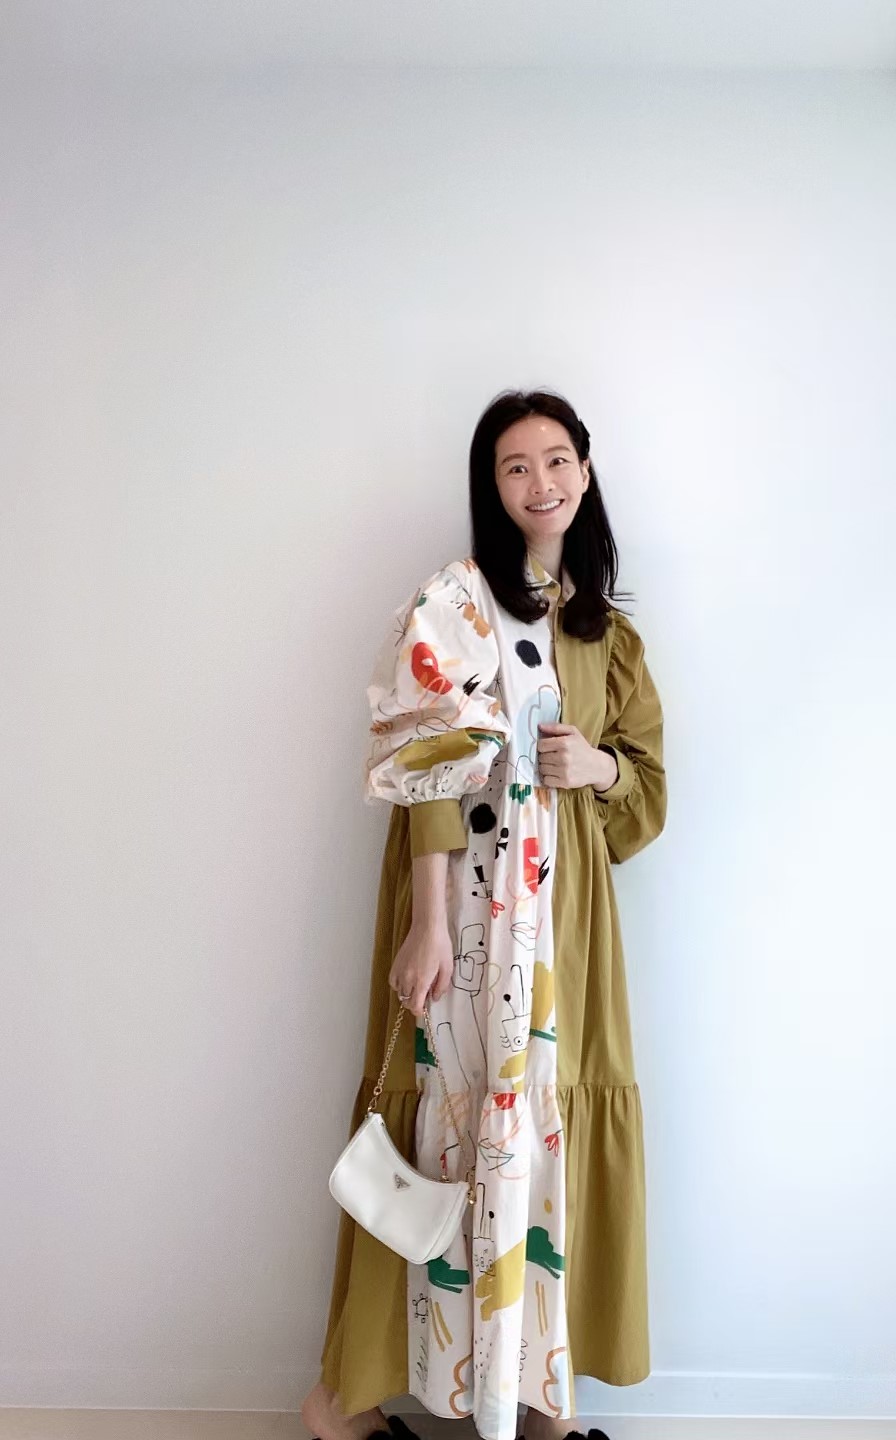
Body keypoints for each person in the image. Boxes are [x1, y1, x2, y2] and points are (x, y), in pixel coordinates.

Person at [302, 389, 667, 1440]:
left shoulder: (607, 634)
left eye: (557, 460)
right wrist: (426, 925)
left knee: (546, 1128)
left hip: (563, 929)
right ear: (492, 486)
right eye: (515, 465)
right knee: (440, 1130)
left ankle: (541, 1404)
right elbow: (422, 768)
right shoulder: (455, 600)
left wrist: (597, 766)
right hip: (463, 913)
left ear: (585, 472)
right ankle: (342, 1408)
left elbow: (647, 792)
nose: (540, 481)